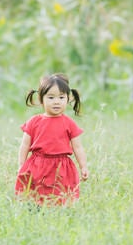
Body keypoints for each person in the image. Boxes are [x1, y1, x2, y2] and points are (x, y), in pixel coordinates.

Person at [15, 73, 89, 205]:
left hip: (62, 167)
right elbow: (24, 145)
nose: (56, 101)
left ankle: (60, 214)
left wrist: (83, 166)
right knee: (35, 197)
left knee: (61, 197)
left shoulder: (69, 123)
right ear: (41, 99)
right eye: (51, 97)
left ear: (68, 98)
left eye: (61, 97)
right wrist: (21, 165)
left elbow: (78, 147)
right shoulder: (34, 121)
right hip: (37, 165)